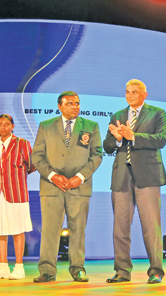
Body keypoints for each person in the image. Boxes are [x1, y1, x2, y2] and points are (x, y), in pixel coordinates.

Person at [31, 91, 103, 283]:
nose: (75, 106)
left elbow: (97, 155)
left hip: (79, 187)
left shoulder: (91, 126)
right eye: (70, 103)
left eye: (77, 103)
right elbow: (37, 156)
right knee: (49, 231)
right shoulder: (46, 126)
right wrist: (53, 176)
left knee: (78, 231)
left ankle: (78, 269)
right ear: (60, 106)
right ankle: (47, 271)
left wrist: (80, 177)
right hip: (51, 187)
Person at [104, 79, 166, 284]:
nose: (130, 95)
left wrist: (133, 136)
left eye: (134, 92)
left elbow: (161, 140)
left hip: (148, 176)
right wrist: (117, 139)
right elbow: (107, 146)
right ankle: (122, 271)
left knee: (151, 226)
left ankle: (156, 270)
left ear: (144, 95)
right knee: (120, 226)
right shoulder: (118, 116)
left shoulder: (157, 113)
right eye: (127, 92)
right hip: (122, 175)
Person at [0, 114, 36, 280]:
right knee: (0, 230)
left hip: (16, 193)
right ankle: (3, 266)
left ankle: (19, 267)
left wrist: (16, 177)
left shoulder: (22, 143)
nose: (3, 127)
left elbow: (31, 165)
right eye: (0, 124)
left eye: (7, 124)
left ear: (12, 126)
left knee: (17, 230)